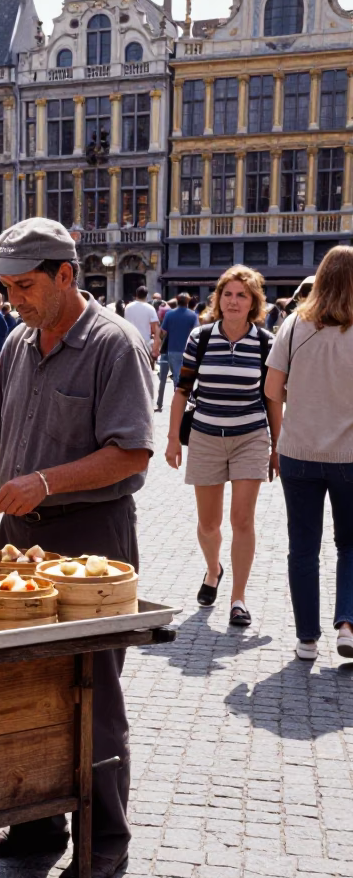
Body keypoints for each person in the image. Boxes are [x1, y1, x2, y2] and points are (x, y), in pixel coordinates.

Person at [0, 217, 153, 878]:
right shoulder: (21, 344)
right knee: (19, 681)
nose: (12, 300)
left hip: (91, 541)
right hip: (17, 541)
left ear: (65, 275)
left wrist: (48, 481)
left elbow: (133, 452)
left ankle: (106, 836)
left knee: (93, 691)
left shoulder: (114, 345)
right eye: (4, 287)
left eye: (23, 286)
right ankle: (33, 821)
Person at [165, 266, 277, 629]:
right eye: (227, 294)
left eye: (241, 295)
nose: (233, 301)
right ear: (218, 299)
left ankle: (238, 599)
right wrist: (171, 440)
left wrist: (277, 445)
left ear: (253, 302)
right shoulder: (200, 337)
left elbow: (273, 398)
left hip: (250, 437)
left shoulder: (264, 342)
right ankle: (213, 570)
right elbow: (182, 390)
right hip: (206, 436)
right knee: (208, 524)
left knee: (242, 520)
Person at [264, 246, 353, 662]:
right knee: (351, 546)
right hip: (349, 456)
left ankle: (306, 639)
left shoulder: (294, 326)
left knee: (303, 547)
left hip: (298, 451)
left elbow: (270, 390)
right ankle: (348, 624)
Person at [156, 292, 199, 412]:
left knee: (176, 375)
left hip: (173, 349)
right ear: (188, 301)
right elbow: (196, 332)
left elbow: (163, 332)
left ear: (177, 300)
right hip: (189, 350)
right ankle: (183, 400)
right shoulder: (193, 315)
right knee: (187, 375)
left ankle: (179, 400)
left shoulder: (169, 314)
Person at [124, 286, 160, 359]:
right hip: (145, 343)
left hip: (130, 342)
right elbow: (155, 330)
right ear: (147, 296)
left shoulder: (128, 307)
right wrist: (155, 349)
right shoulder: (150, 308)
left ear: (136, 295)